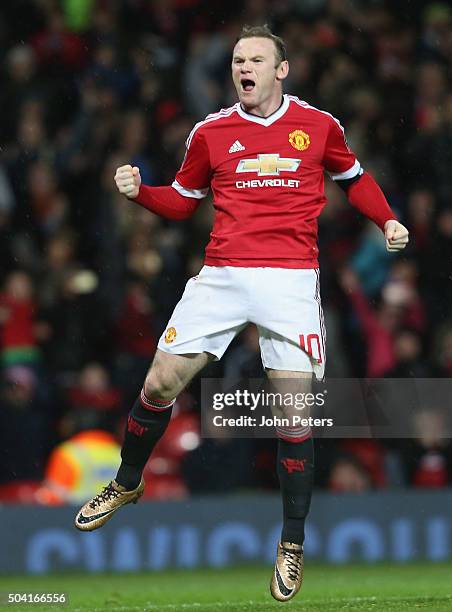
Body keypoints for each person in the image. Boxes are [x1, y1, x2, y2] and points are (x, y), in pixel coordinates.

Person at [74, 25, 409, 602]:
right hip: (224, 276)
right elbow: (183, 203)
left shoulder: (319, 126)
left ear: (282, 69)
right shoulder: (211, 132)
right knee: (159, 381)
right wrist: (141, 192)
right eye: (236, 60)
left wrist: (388, 221)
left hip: (290, 281)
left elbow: (354, 179)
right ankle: (127, 483)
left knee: (294, 413)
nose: (242, 68)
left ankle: (292, 544)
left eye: (255, 59)